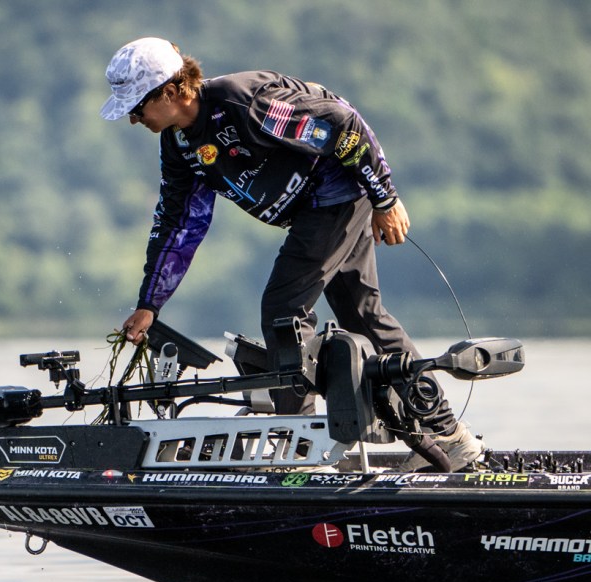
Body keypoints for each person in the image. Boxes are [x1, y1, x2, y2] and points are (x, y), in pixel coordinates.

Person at [99, 37, 483, 472]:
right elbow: (179, 223)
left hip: (335, 196)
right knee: (362, 315)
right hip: (311, 214)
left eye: (137, 108)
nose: (133, 119)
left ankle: (299, 451)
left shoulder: (244, 105)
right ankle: (447, 435)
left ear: (171, 91)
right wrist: (150, 304)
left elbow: (341, 125)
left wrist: (385, 198)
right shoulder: (179, 145)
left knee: (283, 309)